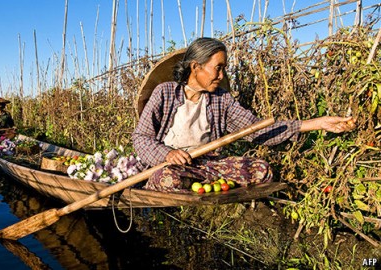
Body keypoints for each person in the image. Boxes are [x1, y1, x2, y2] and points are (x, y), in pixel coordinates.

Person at [132, 37, 355, 192]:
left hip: (207, 166)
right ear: (195, 67)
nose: (221, 75)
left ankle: (199, 184)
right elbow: (141, 138)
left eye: (224, 68)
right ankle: (189, 184)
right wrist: (167, 155)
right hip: (171, 167)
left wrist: (318, 123)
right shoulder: (165, 93)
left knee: (261, 170)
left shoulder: (220, 99)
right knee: (167, 179)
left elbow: (257, 129)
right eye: (217, 67)